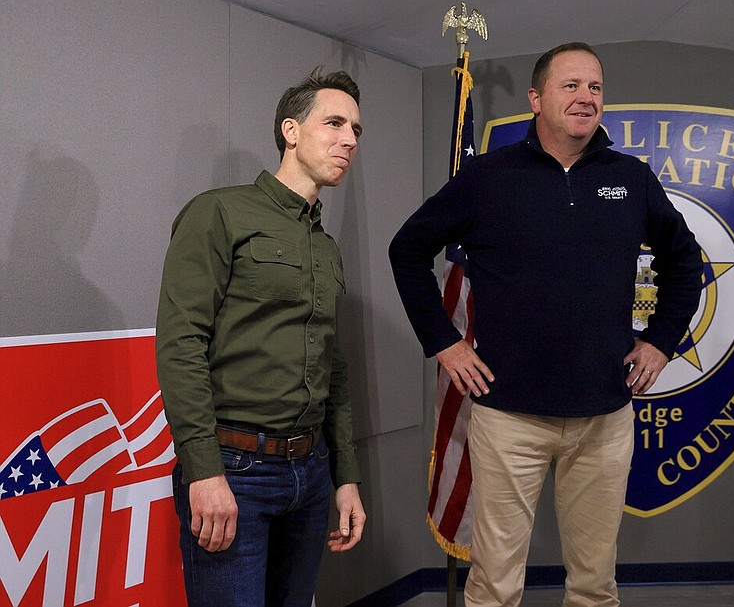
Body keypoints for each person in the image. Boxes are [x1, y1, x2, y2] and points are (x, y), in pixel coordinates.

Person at [389, 42, 703, 607]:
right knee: (495, 584)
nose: (586, 98)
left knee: (594, 585)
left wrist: (660, 342)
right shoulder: (488, 176)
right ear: (536, 98)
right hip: (509, 417)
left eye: (595, 88)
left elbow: (684, 260)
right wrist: (445, 344)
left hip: (603, 419)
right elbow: (408, 250)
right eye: (571, 86)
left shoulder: (629, 178)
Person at [156, 67, 366, 607]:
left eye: (356, 130)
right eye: (335, 123)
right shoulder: (219, 213)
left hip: (311, 471)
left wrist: (345, 476)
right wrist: (203, 472)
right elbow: (181, 345)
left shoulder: (326, 247)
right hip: (235, 472)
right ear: (291, 130)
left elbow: (333, 369)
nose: (348, 140)